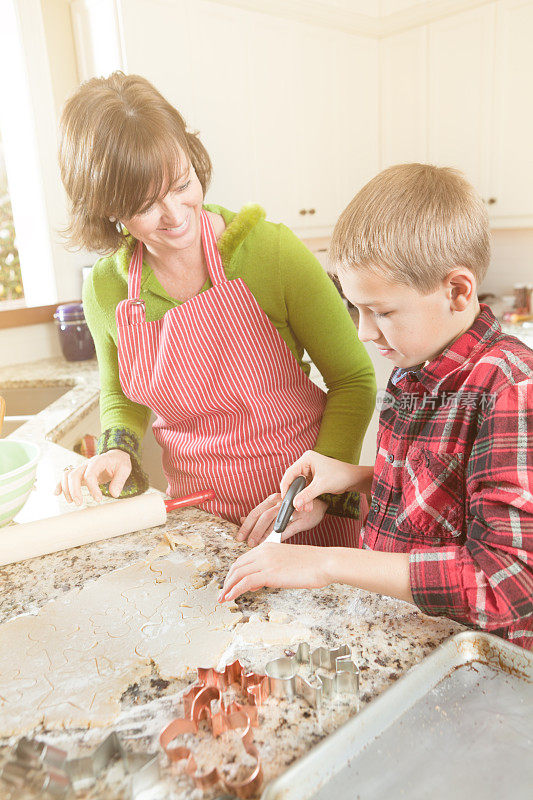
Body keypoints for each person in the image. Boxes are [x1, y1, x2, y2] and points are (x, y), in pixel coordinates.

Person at [55, 72, 376, 548]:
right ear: (106, 209)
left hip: (308, 517)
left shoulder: (272, 252)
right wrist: (119, 448)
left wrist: (316, 495)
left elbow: (354, 380)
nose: (176, 214)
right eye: (146, 205)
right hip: (202, 525)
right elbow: (120, 396)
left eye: (183, 184)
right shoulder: (107, 289)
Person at [219, 163, 533, 649]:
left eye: (382, 312)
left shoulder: (510, 388)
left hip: (477, 663)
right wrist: (348, 482)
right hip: (408, 636)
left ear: (457, 291)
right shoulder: (415, 364)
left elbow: (507, 584)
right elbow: (439, 500)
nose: (365, 332)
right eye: (357, 309)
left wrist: (326, 563)